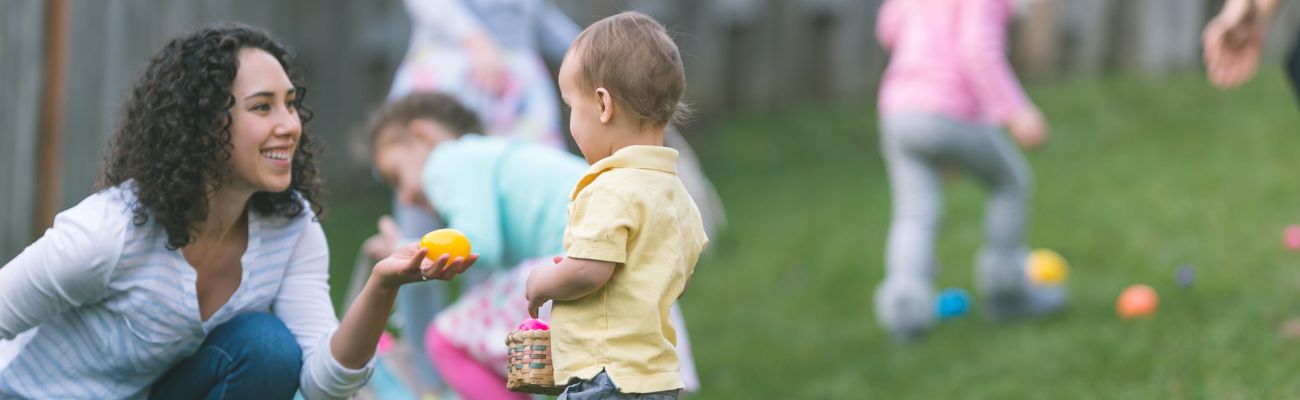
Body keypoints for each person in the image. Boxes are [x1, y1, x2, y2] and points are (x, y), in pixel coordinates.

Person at [0, 23, 475, 399]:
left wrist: (382, 286)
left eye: (290, 105)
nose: (289, 125)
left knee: (265, 347)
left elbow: (323, 386)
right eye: (262, 107)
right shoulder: (111, 232)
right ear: (203, 124)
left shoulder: (290, 229)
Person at [362, 92, 702, 399]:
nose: (404, 197)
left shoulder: (448, 159)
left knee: (444, 339)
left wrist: (407, 248)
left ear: (422, 136)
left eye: (396, 176)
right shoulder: (496, 155)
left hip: (575, 267)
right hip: (629, 282)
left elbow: (481, 243)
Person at [525, 11, 708, 399]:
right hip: (656, 376)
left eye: (571, 106)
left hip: (605, 374)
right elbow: (679, 280)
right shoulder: (676, 194)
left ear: (603, 105)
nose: (571, 120)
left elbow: (589, 273)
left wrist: (542, 282)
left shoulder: (609, 187)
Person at [871, 0, 1062, 340]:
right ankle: (1006, 291)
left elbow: (888, 28)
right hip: (949, 108)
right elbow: (977, 50)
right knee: (1010, 184)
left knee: (913, 214)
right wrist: (1016, 112)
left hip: (899, 110)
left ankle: (905, 310)